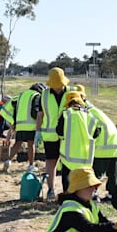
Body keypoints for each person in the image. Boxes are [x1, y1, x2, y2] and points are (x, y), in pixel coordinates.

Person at [37, 68, 70, 200]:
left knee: (68, 163)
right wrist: (38, 131)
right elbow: (40, 114)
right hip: (50, 136)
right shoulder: (44, 95)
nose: (58, 87)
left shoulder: (71, 93)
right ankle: (51, 189)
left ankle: (68, 191)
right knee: (51, 161)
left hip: (68, 135)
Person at [56, 89, 98, 178]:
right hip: (85, 161)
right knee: (82, 188)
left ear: (68, 103)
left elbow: (59, 132)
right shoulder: (90, 116)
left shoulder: (65, 114)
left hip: (68, 161)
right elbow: (96, 133)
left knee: (68, 188)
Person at [6, 83, 43, 171]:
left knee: (17, 143)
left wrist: (14, 123)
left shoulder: (22, 95)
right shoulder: (36, 95)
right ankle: (30, 166)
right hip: (31, 124)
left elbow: (15, 109)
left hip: (20, 124)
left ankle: (8, 161)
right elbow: (36, 111)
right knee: (31, 145)